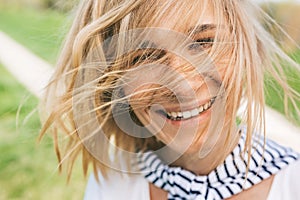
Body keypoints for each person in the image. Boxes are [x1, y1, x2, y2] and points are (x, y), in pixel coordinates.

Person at [40, 0, 300, 199]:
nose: (183, 87)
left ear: (245, 46)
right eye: (143, 57)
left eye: (204, 42)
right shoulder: (114, 181)